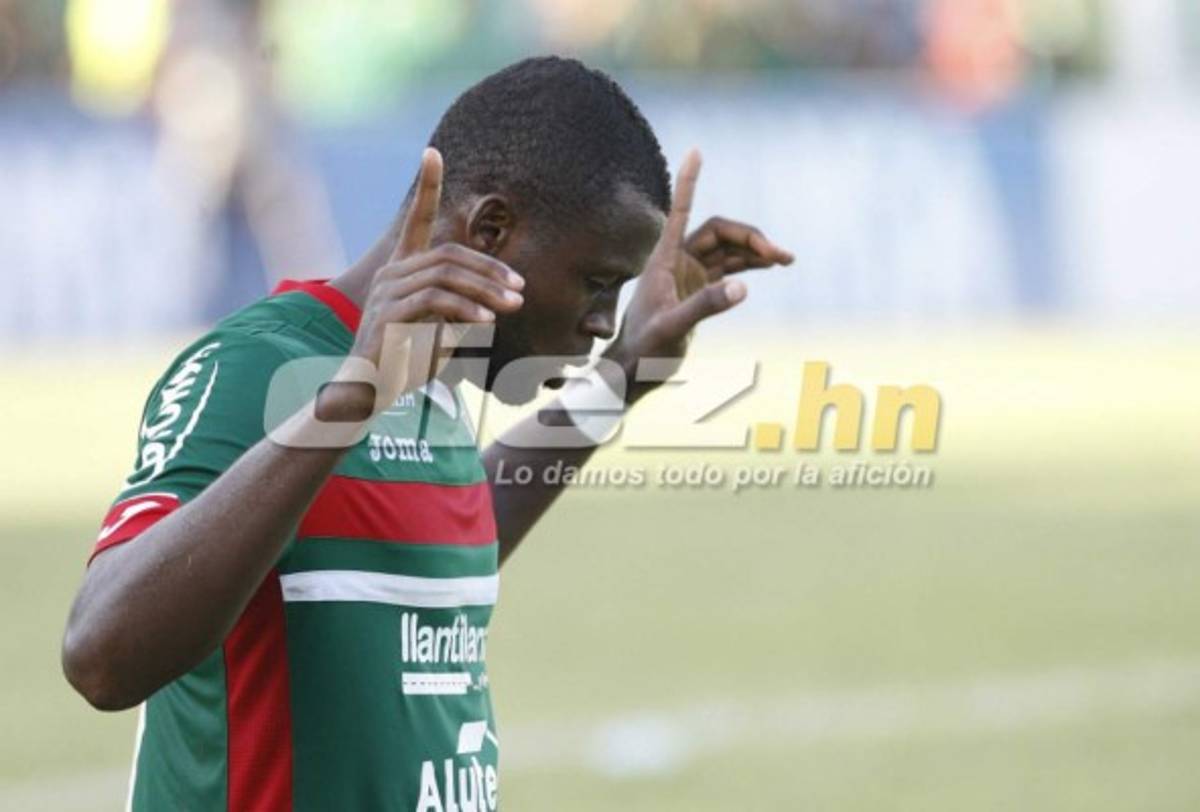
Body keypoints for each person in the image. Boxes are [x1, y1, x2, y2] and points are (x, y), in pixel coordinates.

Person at [62, 56, 792, 811]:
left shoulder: (428, 377)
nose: (604, 319)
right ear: (492, 229)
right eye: (598, 281)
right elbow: (102, 658)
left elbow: (441, 547)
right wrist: (348, 402)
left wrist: (626, 374)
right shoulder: (260, 366)